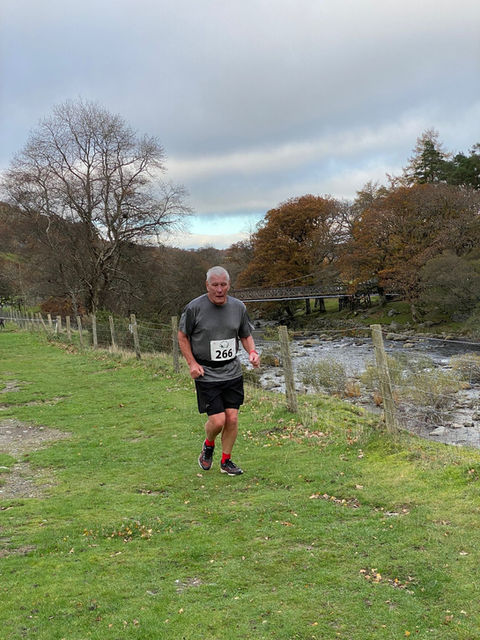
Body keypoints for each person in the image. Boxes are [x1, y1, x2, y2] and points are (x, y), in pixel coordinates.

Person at [178, 266, 260, 476]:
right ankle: (208, 444)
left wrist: (252, 352)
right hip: (206, 372)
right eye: (215, 285)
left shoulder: (238, 307)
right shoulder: (194, 308)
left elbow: (245, 334)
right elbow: (182, 336)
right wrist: (192, 364)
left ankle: (226, 461)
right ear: (207, 286)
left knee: (232, 418)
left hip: (232, 371)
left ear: (229, 285)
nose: (219, 289)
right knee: (218, 420)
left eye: (223, 285)